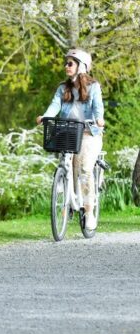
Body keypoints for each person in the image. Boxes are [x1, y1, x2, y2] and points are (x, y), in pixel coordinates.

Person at [36, 48, 105, 231]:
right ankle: (65, 192)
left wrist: (99, 119)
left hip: (89, 133)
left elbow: (98, 108)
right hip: (69, 132)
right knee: (67, 164)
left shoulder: (94, 87)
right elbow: (55, 105)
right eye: (66, 63)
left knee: (84, 169)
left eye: (70, 63)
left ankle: (89, 212)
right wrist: (45, 116)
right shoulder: (63, 88)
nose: (66, 66)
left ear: (81, 66)